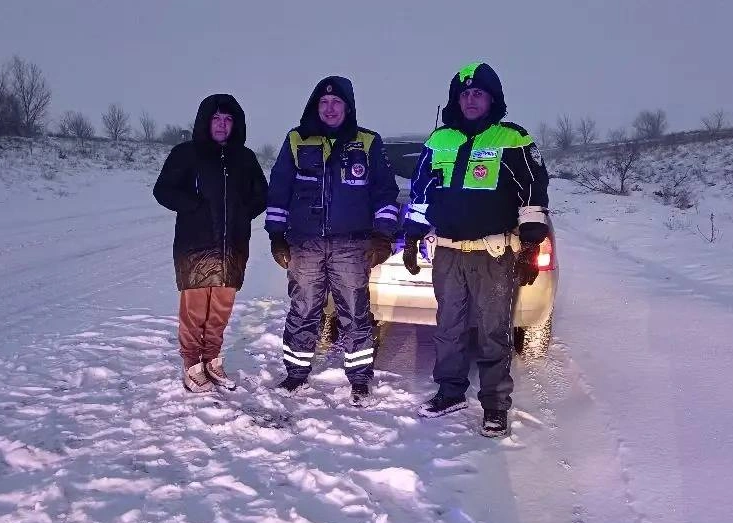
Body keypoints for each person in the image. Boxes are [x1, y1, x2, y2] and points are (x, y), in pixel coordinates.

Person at [402, 62, 549, 437]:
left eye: (478, 93)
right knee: (448, 327)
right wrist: (413, 235)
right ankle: (450, 392)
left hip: (493, 255)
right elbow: (420, 191)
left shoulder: (513, 139)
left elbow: (533, 193)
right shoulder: (439, 140)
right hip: (448, 252)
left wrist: (531, 246)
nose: (470, 100)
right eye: (464, 94)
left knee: (493, 331)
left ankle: (495, 405)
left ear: (492, 99)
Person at [265, 76, 399, 406]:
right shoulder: (297, 139)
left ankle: (360, 378)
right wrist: (276, 235)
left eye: (336, 102)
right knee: (303, 308)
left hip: (352, 244)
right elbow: (279, 189)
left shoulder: (367, 142)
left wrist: (383, 235)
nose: (329, 108)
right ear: (315, 106)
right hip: (305, 243)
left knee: (355, 311)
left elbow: (384, 193)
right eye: (323, 102)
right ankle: (296, 373)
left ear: (348, 107)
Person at [153, 94, 268, 393]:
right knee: (194, 311)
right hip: (195, 246)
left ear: (236, 124)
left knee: (220, 309)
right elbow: (163, 190)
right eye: (216, 118)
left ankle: (212, 359)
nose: (221, 124)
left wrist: (242, 212)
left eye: (228, 119)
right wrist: (193, 205)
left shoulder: (245, 158)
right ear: (206, 121)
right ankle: (192, 363)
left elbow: (261, 194)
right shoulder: (186, 154)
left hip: (233, 247)